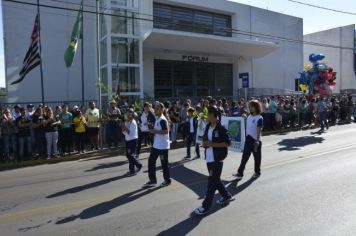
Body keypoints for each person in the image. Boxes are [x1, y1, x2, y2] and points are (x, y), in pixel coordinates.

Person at [194, 106, 233, 216]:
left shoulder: (221, 128)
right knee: (215, 180)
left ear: (213, 116)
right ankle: (226, 196)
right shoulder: (207, 126)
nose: (207, 117)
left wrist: (213, 144)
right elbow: (206, 139)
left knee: (211, 184)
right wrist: (205, 144)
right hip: (209, 158)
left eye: (208, 115)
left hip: (218, 159)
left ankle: (205, 207)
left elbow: (228, 143)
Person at [143, 102, 171, 188]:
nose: (155, 110)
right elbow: (157, 130)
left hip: (163, 146)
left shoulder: (162, 119)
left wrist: (155, 131)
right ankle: (153, 180)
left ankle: (167, 180)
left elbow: (166, 131)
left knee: (164, 164)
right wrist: (152, 130)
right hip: (156, 145)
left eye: (157, 108)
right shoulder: (157, 118)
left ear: (162, 110)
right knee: (151, 161)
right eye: (155, 108)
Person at [234, 100, 264, 180]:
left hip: (255, 141)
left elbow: (258, 130)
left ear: (256, 107)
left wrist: (257, 141)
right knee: (244, 157)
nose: (250, 108)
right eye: (249, 107)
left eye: (252, 107)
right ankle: (240, 173)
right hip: (248, 139)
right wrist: (244, 118)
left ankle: (257, 172)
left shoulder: (259, 118)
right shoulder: (249, 117)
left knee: (257, 158)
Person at [122, 108, 142, 176]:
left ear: (132, 114)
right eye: (127, 112)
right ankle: (137, 165)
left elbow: (130, 133)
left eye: (129, 112)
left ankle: (133, 170)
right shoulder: (127, 122)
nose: (128, 114)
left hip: (133, 140)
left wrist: (125, 127)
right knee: (129, 155)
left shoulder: (133, 122)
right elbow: (125, 132)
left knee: (130, 155)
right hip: (128, 140)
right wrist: (123, 129)